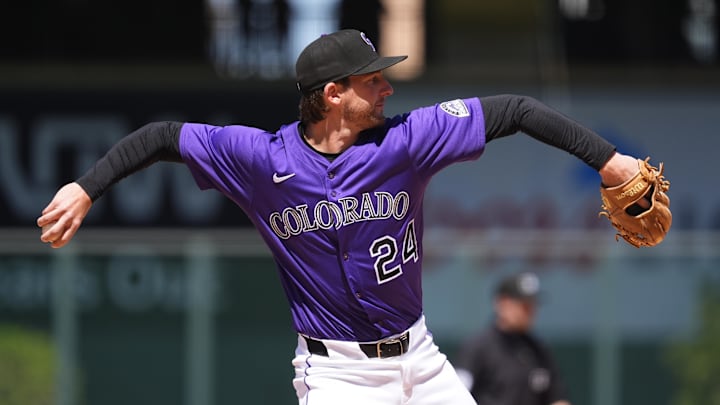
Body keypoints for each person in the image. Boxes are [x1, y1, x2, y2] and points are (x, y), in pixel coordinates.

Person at [37, 29, 649, 404]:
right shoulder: (259, 159)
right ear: (333, 94)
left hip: (423, 359)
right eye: (372, 79)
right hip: (339, 379)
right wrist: (88, 188)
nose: (387, 87)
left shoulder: (407, 140)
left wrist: (609, 160)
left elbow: (514, 110)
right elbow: (162, 136)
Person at [454, 272, 572, 405]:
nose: (530, 311)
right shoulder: (478, 347)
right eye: (523, 305)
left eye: (533, 305)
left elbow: (557, 398)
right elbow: (456, 394)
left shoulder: (539, 350)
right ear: (502, 303)